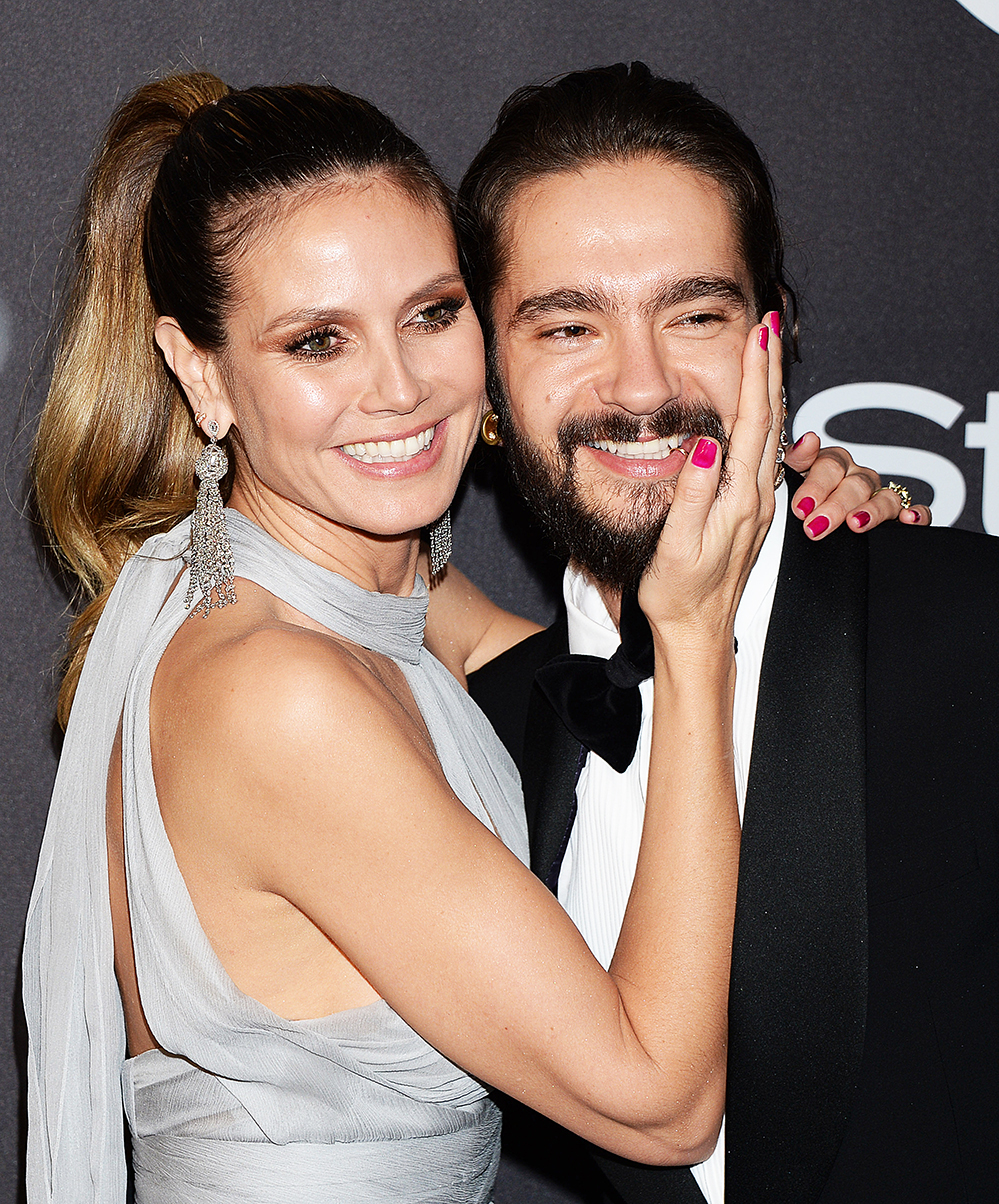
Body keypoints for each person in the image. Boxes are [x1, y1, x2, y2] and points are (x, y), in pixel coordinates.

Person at [21, 71, 914, 1204]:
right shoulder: (276, 695)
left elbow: (548, 673)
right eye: (316, 342)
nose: (398, 388)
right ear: (202, 373)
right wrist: (694, 636)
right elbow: (662, 1101)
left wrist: (791, 542)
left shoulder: (334, 596)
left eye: (431, 314)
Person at [460, 63, 999, 1204]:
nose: (643, 385)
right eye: (567, 324)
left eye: (694, 314)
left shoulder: (967, 630)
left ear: (774, 337)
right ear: (488, 386)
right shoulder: (477, 739)